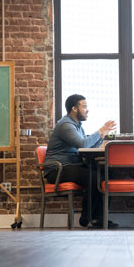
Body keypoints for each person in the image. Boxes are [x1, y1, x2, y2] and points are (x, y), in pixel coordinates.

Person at [44, 94, 118, 229]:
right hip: (58, 169)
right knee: (94, 177)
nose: (87, 110)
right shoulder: (66, 125)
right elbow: (83, 144)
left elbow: (87, 149)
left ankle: (99, 218)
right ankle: (87, 218)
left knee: (107, 174)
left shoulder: (77, 126)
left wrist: (101, 136)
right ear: (74, 108)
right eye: (84, 106)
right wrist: (100, 130)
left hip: (71, 166)